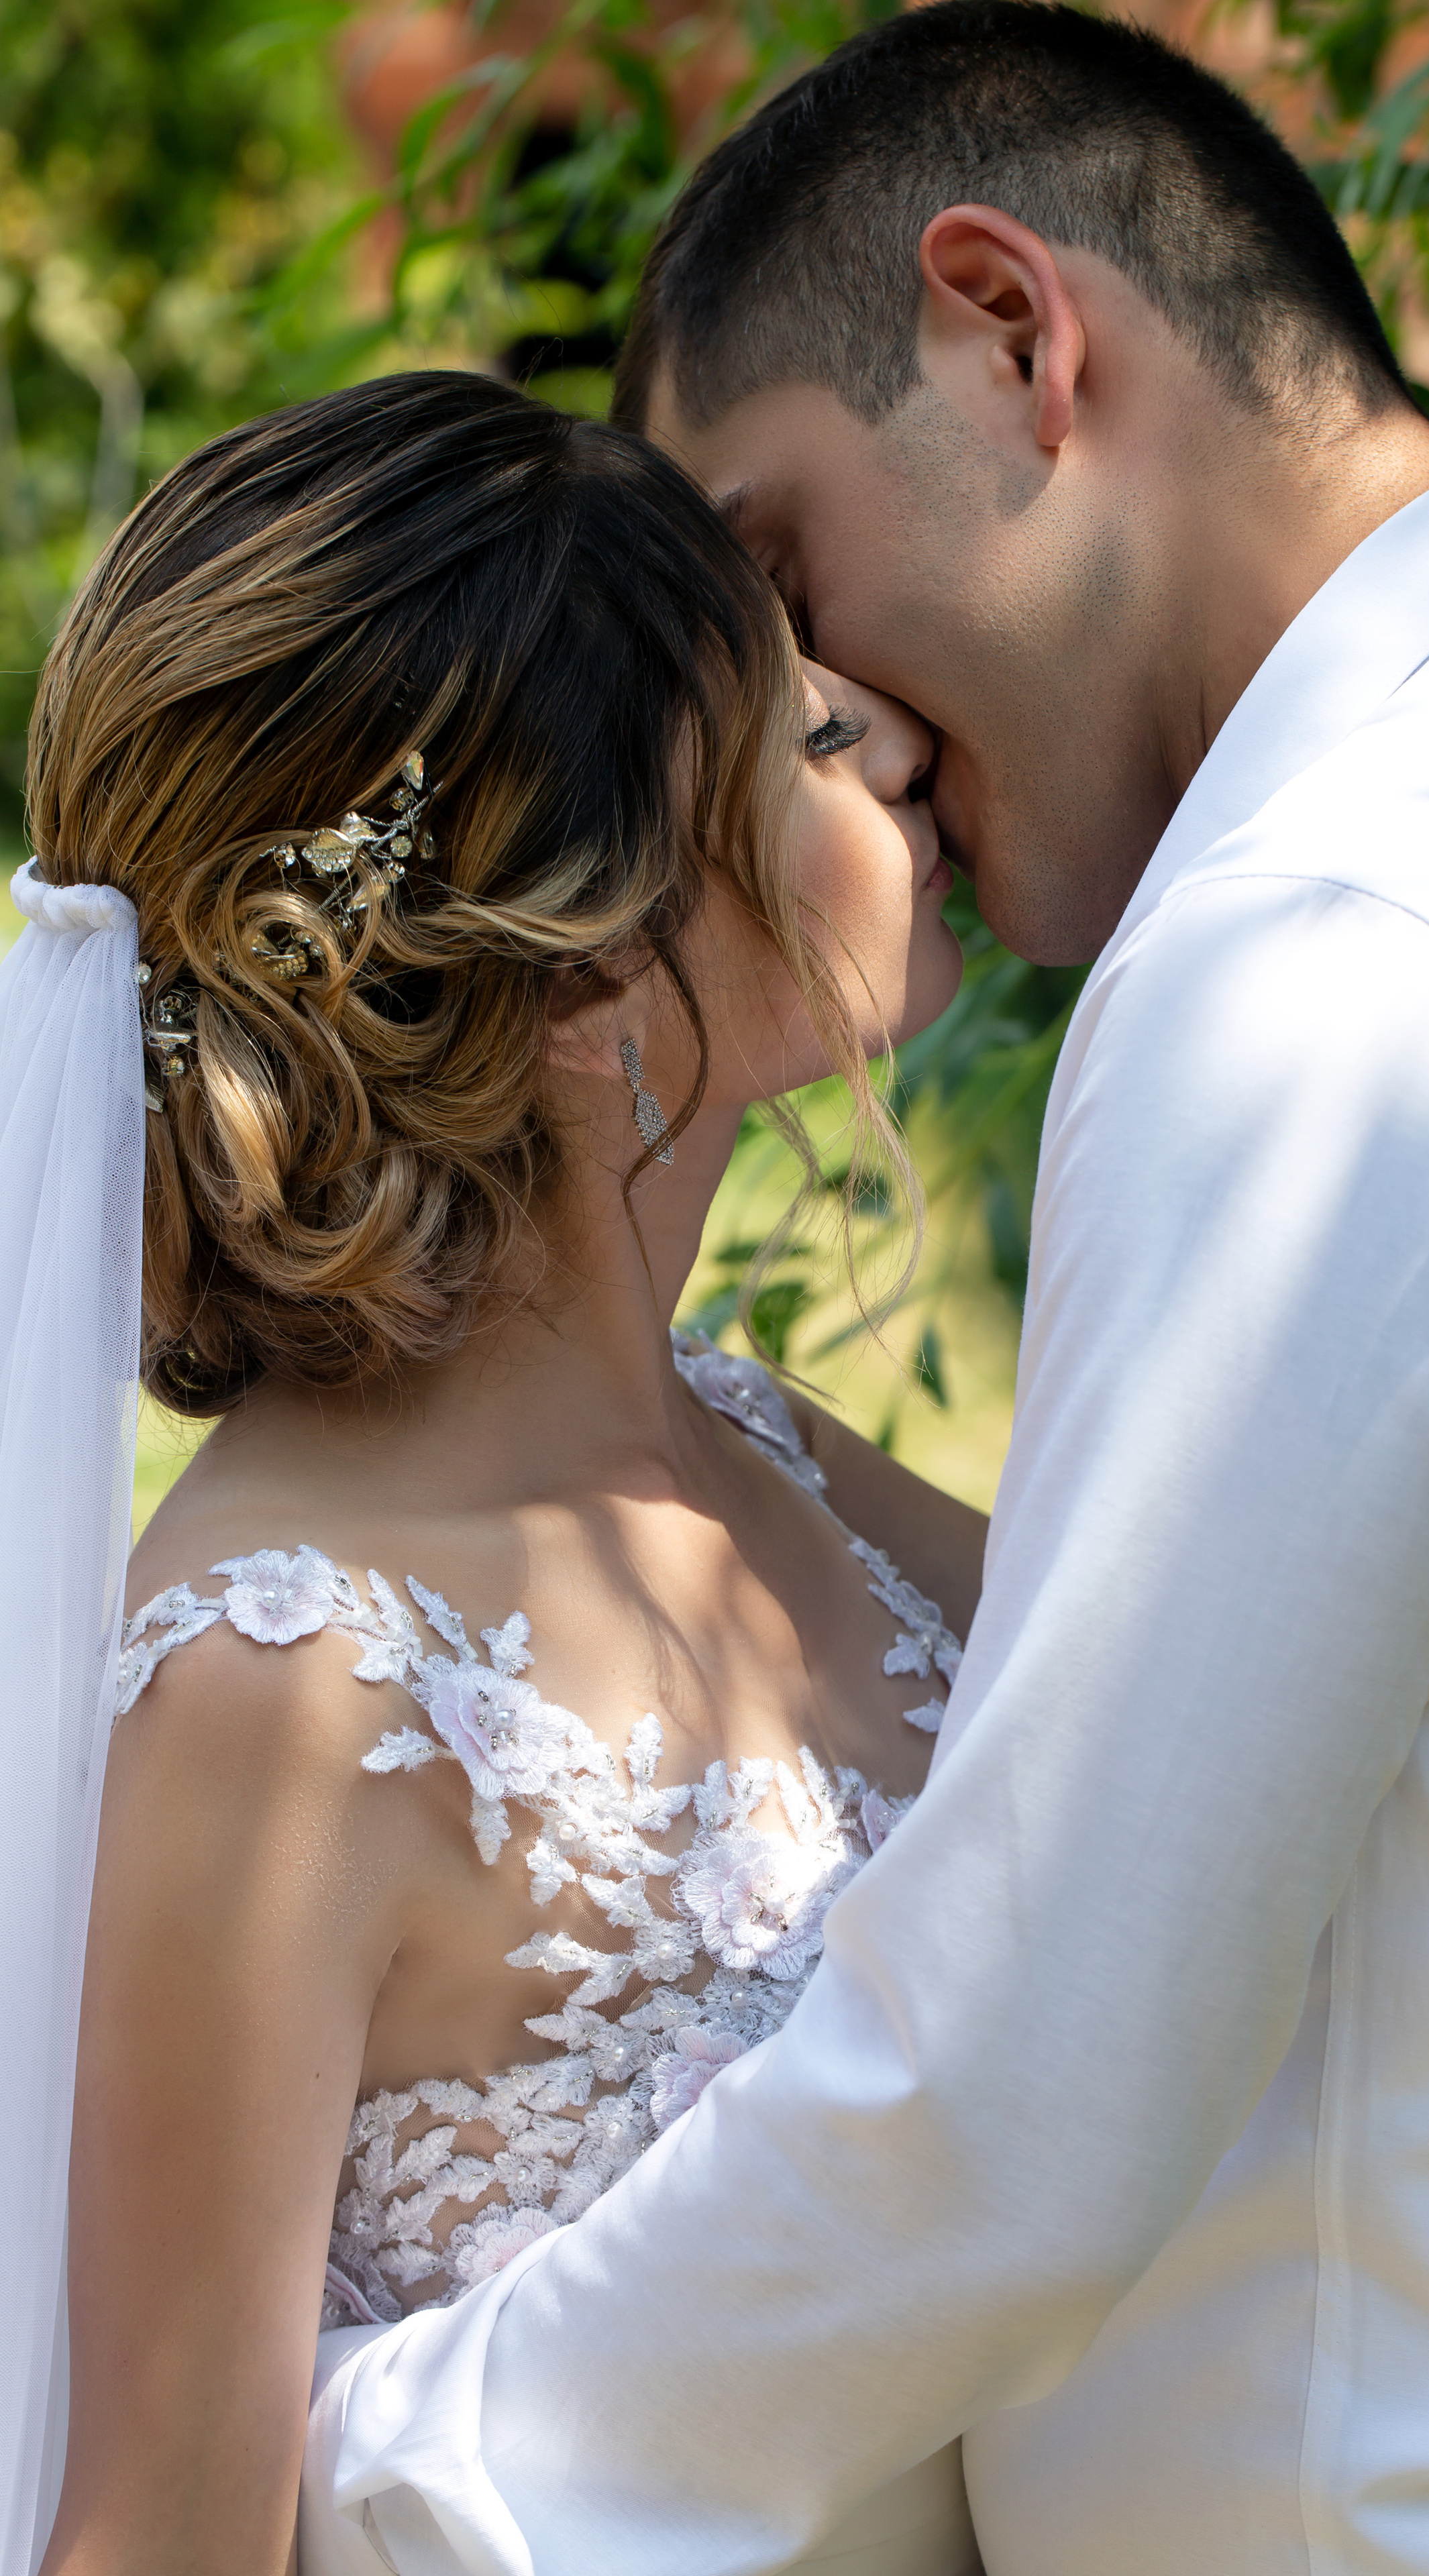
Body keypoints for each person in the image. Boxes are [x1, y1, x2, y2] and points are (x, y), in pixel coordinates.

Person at [297, 5, 1429, 2573]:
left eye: (770, 572)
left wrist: (346, 2476)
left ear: (1013, 334)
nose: (798, 729)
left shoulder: (1344, 964)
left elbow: (1015, 2095)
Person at [7, 368, 992, 2576]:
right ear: (586, 978)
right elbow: (161, 2529)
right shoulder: (287, 1691)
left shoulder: (764, 1447)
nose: (903, 748)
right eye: (814, 743)